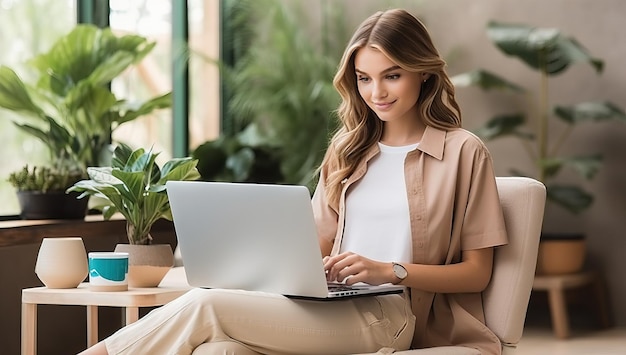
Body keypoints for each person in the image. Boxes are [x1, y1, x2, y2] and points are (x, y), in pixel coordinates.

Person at [80, 8, 507, 355]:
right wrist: (280, 267)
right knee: (219, 351)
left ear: (423, 74)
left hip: (393, 317)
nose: (376, 91)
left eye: (392, 75)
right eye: (364, 78)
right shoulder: (348, 150)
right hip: (329, 306)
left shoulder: (463, 152)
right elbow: (314, 247)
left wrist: (388, 270)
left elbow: (476, 274)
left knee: (205, 306)